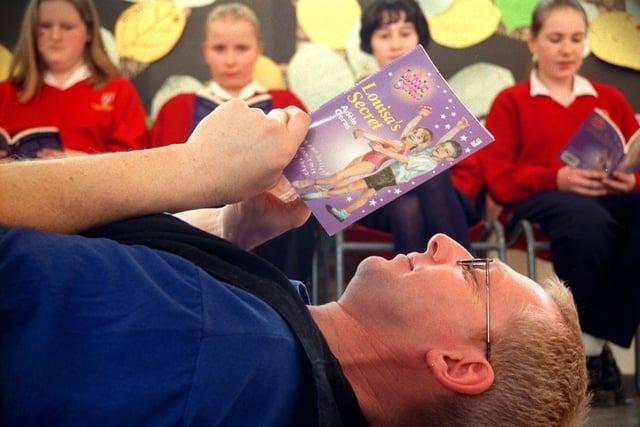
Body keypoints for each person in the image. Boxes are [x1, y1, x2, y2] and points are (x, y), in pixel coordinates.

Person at [0, 99, 589, 426]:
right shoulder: (271, 351)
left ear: (458, 365)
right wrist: (229, 233)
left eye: (473, 272)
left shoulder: (212, 339)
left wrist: (190, 170)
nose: (446, 242)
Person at [478, 0, 640, 406]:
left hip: (608, 196)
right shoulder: (511, 101)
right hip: (542, 201)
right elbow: (499, 179)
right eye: (555, 39)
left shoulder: (609, 98)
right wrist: (557, 177)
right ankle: (591, 352)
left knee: (617, 216)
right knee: (585, 222)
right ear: (532, 42)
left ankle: (589, 341)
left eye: (576, 39)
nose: (567, 49)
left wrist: (629, 179)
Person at [150, 2, 315, 281]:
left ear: (259, 51)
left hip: (271, 216)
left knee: (296, 218)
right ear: (205, 51)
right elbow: (158, 179)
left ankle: (287, 311)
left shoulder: (286, 104)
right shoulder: (177, 108)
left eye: (241, 48)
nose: (230, 60)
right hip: (195, 214)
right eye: (219, 48)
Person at [356, 0, 471, 252]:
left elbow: (469, 162)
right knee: (405, 201)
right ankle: (463, 278)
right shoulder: (359, 100)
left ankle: (427, 286)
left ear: (419, 36)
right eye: (384, 35)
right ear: (369, 42)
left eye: (405, 33)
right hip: (380, 199)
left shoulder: (442, 95)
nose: (396, 44)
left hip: (447, 196)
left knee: (426, 176)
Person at [0, 0, 149, 158]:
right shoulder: (5, 93)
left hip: (90, 182)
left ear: (89, 32)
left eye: (67, 27)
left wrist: (78, 163)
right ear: (32, 31)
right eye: (45, 26)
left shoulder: (119, 90)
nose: (55, 36)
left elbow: (132, 166)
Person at [293, 106, 433, 190]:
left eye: (419, 136)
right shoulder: (403, 139)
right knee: (345, 174)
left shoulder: (402, 145)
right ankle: (325, 190)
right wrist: (420, 116)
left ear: (419, 143)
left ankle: (313, 181)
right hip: (368, 156)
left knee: (341, 175)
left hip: (372, 163)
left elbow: (381, 140)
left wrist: (364, 134)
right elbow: (409, 127)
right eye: (416, 132)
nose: (414, 134)